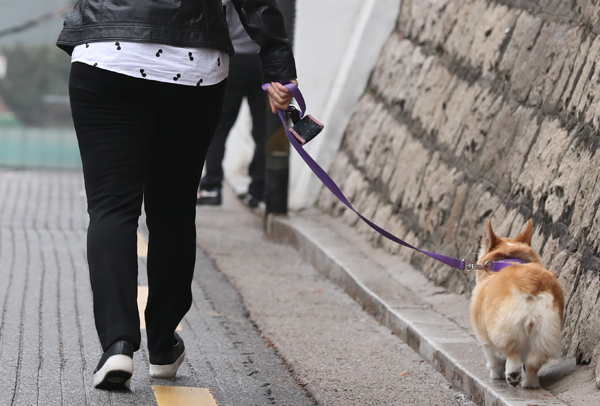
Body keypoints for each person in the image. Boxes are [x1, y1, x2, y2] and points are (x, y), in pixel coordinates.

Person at [56, 0, 297, 391]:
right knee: (173, 213)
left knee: (111, 209)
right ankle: (164, 344)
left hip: (105, 57)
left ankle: (118, 342)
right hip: (193, 69)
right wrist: (278, 65)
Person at [197, 0, 268, 208]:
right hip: (262, 61)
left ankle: (212, 186)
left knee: (218, 128)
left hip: (235, 61)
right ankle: (258, 191)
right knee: (262, 130)